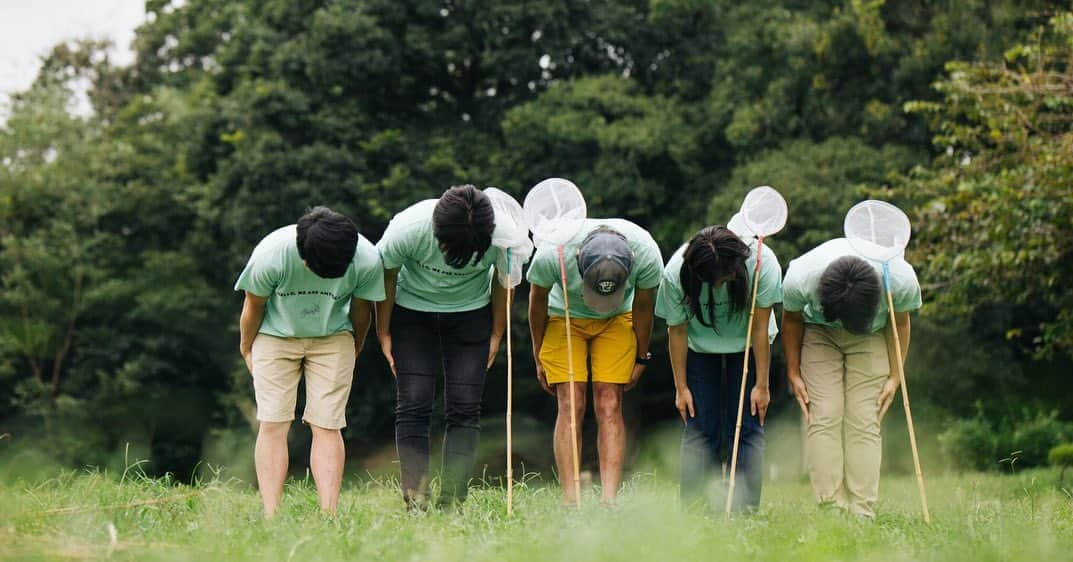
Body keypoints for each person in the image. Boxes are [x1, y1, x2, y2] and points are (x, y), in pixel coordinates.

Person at [235, 206, 385, 518]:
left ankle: (328, 514)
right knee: (273, 422)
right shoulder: (272, 255)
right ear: (304, 256)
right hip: (275, 335)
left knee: (328, 423)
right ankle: (271, 514)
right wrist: (247, 347)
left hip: (333, 336)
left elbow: (361, 309)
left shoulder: (367, 259)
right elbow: (254, 305)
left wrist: (355, 344)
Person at [375, 185, 513, 510]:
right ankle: (415, 500)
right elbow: (387, 275)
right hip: (412, 314)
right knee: (414, 402)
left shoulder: (505, 237)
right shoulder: (407, 229)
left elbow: (505, 283)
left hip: (470, 314)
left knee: (465, 407)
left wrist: (496, 334)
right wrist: (383, 331)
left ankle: (453, 502)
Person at [781, 238, 921, 519]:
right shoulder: (800, 277)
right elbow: (793, 320)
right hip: (820, 333)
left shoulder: (900, 279)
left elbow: (901, 323)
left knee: (864, 418)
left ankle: (862, 511)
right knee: (825, 414)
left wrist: (895, 376)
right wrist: (793, 372)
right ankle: (832, 508)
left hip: (871, 334)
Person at [528, 219, 663, 508]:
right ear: (579, 261)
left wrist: (642, 355)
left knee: (609, 401)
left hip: (617, 318)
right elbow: (536, 301)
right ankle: (570, 499)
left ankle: (609, 500)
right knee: (571, 402)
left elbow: (642, 307)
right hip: (563, 315)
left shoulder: (647, 253)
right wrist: (538, 353)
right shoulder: (554, 251)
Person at [655, 225, 782, 513]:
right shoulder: (675, 273)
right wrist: (681, 388)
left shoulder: (764, 264)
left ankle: (745, 509)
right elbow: (676, 331)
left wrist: (762, 385)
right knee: (700, 426)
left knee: (749, 428)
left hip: (749, 343)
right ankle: (695, 508)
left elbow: (761, 327)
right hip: (699, 347)